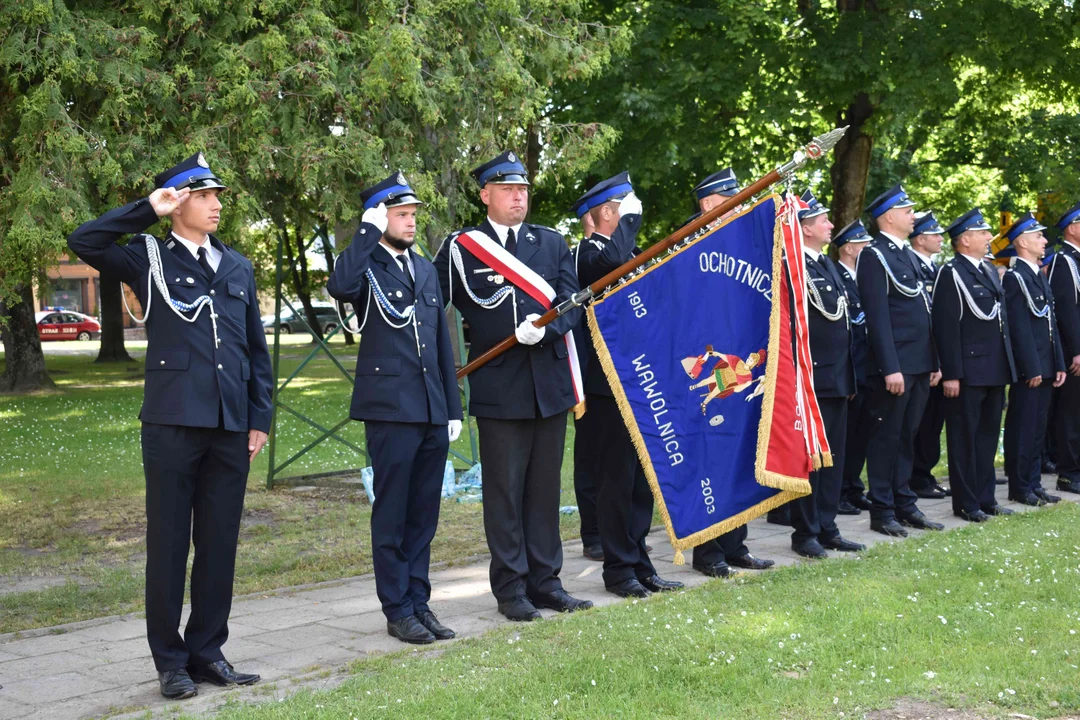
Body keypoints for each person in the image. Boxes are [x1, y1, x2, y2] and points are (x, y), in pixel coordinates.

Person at [67, 153, 271, 699]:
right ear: (178, 202)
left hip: (230, 423)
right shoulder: (147, 256)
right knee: (169, 543)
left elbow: (255, 350)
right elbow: (83, 242)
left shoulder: (238, 266)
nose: (216, 204)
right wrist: (145, 211)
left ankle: (208, 651)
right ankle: (170, 661)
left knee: (219, 542)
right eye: (204, 196)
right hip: (173, 422)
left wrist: (259, 418)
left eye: (216, 196)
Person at [433, 151, 593, 621]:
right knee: (504, 494)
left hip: (549, 384)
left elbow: (574, 302)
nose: (518, 196)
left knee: (544, 493)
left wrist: (550, 329)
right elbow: (432, 301)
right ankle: (511, 590)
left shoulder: (551, 242)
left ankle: (547, 582)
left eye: (522, 189)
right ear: (486, 195)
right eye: (507, 189)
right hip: (500, 389)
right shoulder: (462, 248)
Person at [326, 173, 463, 645]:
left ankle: (419, 602)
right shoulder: (364, 265)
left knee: (424, 513)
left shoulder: (424, 269)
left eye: (412, 214)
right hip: (390, 410)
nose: (410, 222)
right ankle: (396, 608)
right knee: (392, 513)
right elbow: (339, 286)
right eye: (400, 214)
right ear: (379, 217)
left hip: (429, 408)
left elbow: (441, 342)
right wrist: (364, 232)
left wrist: (453, 408)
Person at [572, 172, 685, 597]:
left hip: (639, 380)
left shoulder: (625, 250)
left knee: (641, 481)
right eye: (624, 210)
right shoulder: (589, 253)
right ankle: (618, 570)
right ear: (605, 213)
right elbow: (612, 268)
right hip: (607, 386)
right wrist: (630, 226)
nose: (631, 218)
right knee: (616, 481)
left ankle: (640, 560)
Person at [686, 167, 775, 576]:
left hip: (742, 363)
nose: (742, 205)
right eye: (731, 199)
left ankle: (736, 543)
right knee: (709, 456)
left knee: (738, 451)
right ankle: (708, 551)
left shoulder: (742, 240)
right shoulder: (688, 241)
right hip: (709, 365)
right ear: (708, 204)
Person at [856, 184, 944, 537]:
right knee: (887, 437)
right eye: (908, 211)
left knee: (907, 435)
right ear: (889, 217)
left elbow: (923, 312)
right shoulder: (874, 255)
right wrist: (890, 366)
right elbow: (877, 317)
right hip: (896, 366)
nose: (913, 216)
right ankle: (882, 510)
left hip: (919, 362)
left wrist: (934, 361)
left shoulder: (905, 254)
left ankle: (904, 503)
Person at [788, 192, 866, 558]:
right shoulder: (792, 265)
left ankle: (827, 525)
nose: (831, 225)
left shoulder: (826, 264)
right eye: (823, 220)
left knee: (833, 457)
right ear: (805, 228)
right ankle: (805, 533)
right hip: (812, 378)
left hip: (836, 378)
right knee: (811, 460)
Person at [932, 208, 1017, 522]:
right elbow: (946, 326)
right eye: (982, 233)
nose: (988, 238)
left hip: (994, 369)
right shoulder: (951, 272)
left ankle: (986, 497)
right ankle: (967, 503)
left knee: (986, 438)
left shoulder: (988, 270)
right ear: (964, 240)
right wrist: (951, 373)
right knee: (964, 439)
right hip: (967, 372)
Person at [1000, 213, 1066, 506]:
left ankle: (1034, 482)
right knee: (1023, 427)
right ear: (1023, 242)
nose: (1044, 241)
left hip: (1046, 364)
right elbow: (1019, 327)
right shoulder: (1016, 277)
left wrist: (1059, 363)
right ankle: (1020, 486)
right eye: (1038, 236)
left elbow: (1050, 323)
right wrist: (1031, 367)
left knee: (1038, 427)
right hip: (1033, 367)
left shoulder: (1036, 274)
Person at [907, 212, 952, 500]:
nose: (940, 239)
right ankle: (915, 478)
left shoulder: (935, 269)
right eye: (935, 235)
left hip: (935, 357)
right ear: (920, 239)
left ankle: (924, 473)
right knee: (917, 424)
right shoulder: (911, 266)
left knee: (933, 423)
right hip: (918, 357)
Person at [832, 219, 873, 515]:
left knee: (861, 433)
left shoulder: (865, 278)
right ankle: (840, 491)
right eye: (863, 245)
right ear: (848, 248)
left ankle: (852, 485)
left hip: (866, 368)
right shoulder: (836, 276)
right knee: (843, 435)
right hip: (849, 369)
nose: (869, 250)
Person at [571, 206, 602, 561]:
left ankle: (616, 529)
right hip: (589, 372)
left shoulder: (624, 250)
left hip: (621, 373)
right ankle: (593, 533)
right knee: (591, 458)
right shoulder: (583, 254)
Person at [1048, 200, 1080, 494]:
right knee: (1071, 413)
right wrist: (1077, 350)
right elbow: (1067, 310)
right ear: (1072, 228)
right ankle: (1068, 473)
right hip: (1075, 353)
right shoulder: (1064, 261)